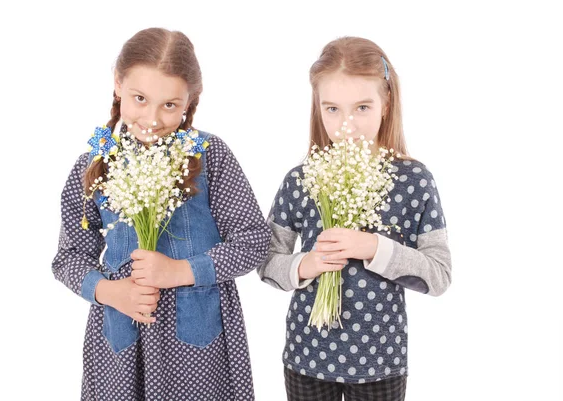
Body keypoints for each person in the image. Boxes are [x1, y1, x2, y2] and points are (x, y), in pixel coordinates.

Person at [52, 27, 270, 401]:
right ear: (117, 84)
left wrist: (180, 271)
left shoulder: (210, 155)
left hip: (200, 341)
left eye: (169, 105)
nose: (151, 118)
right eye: (139, 98)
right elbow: (67, 258)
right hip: (122, 338)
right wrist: (107, 291)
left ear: (189, 102)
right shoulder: (95, 164)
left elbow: (253, 241)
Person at [258, 36, 452, 401]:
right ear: (318, 107)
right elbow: (267, 263)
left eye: (362, 107)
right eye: (332, 109)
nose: (347, 124)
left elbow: (439, 275)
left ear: (386, 102)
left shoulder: (413, 180)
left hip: (381, 360)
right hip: (307, 356)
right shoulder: (301, 179)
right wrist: (306, 264)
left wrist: (374, 247)